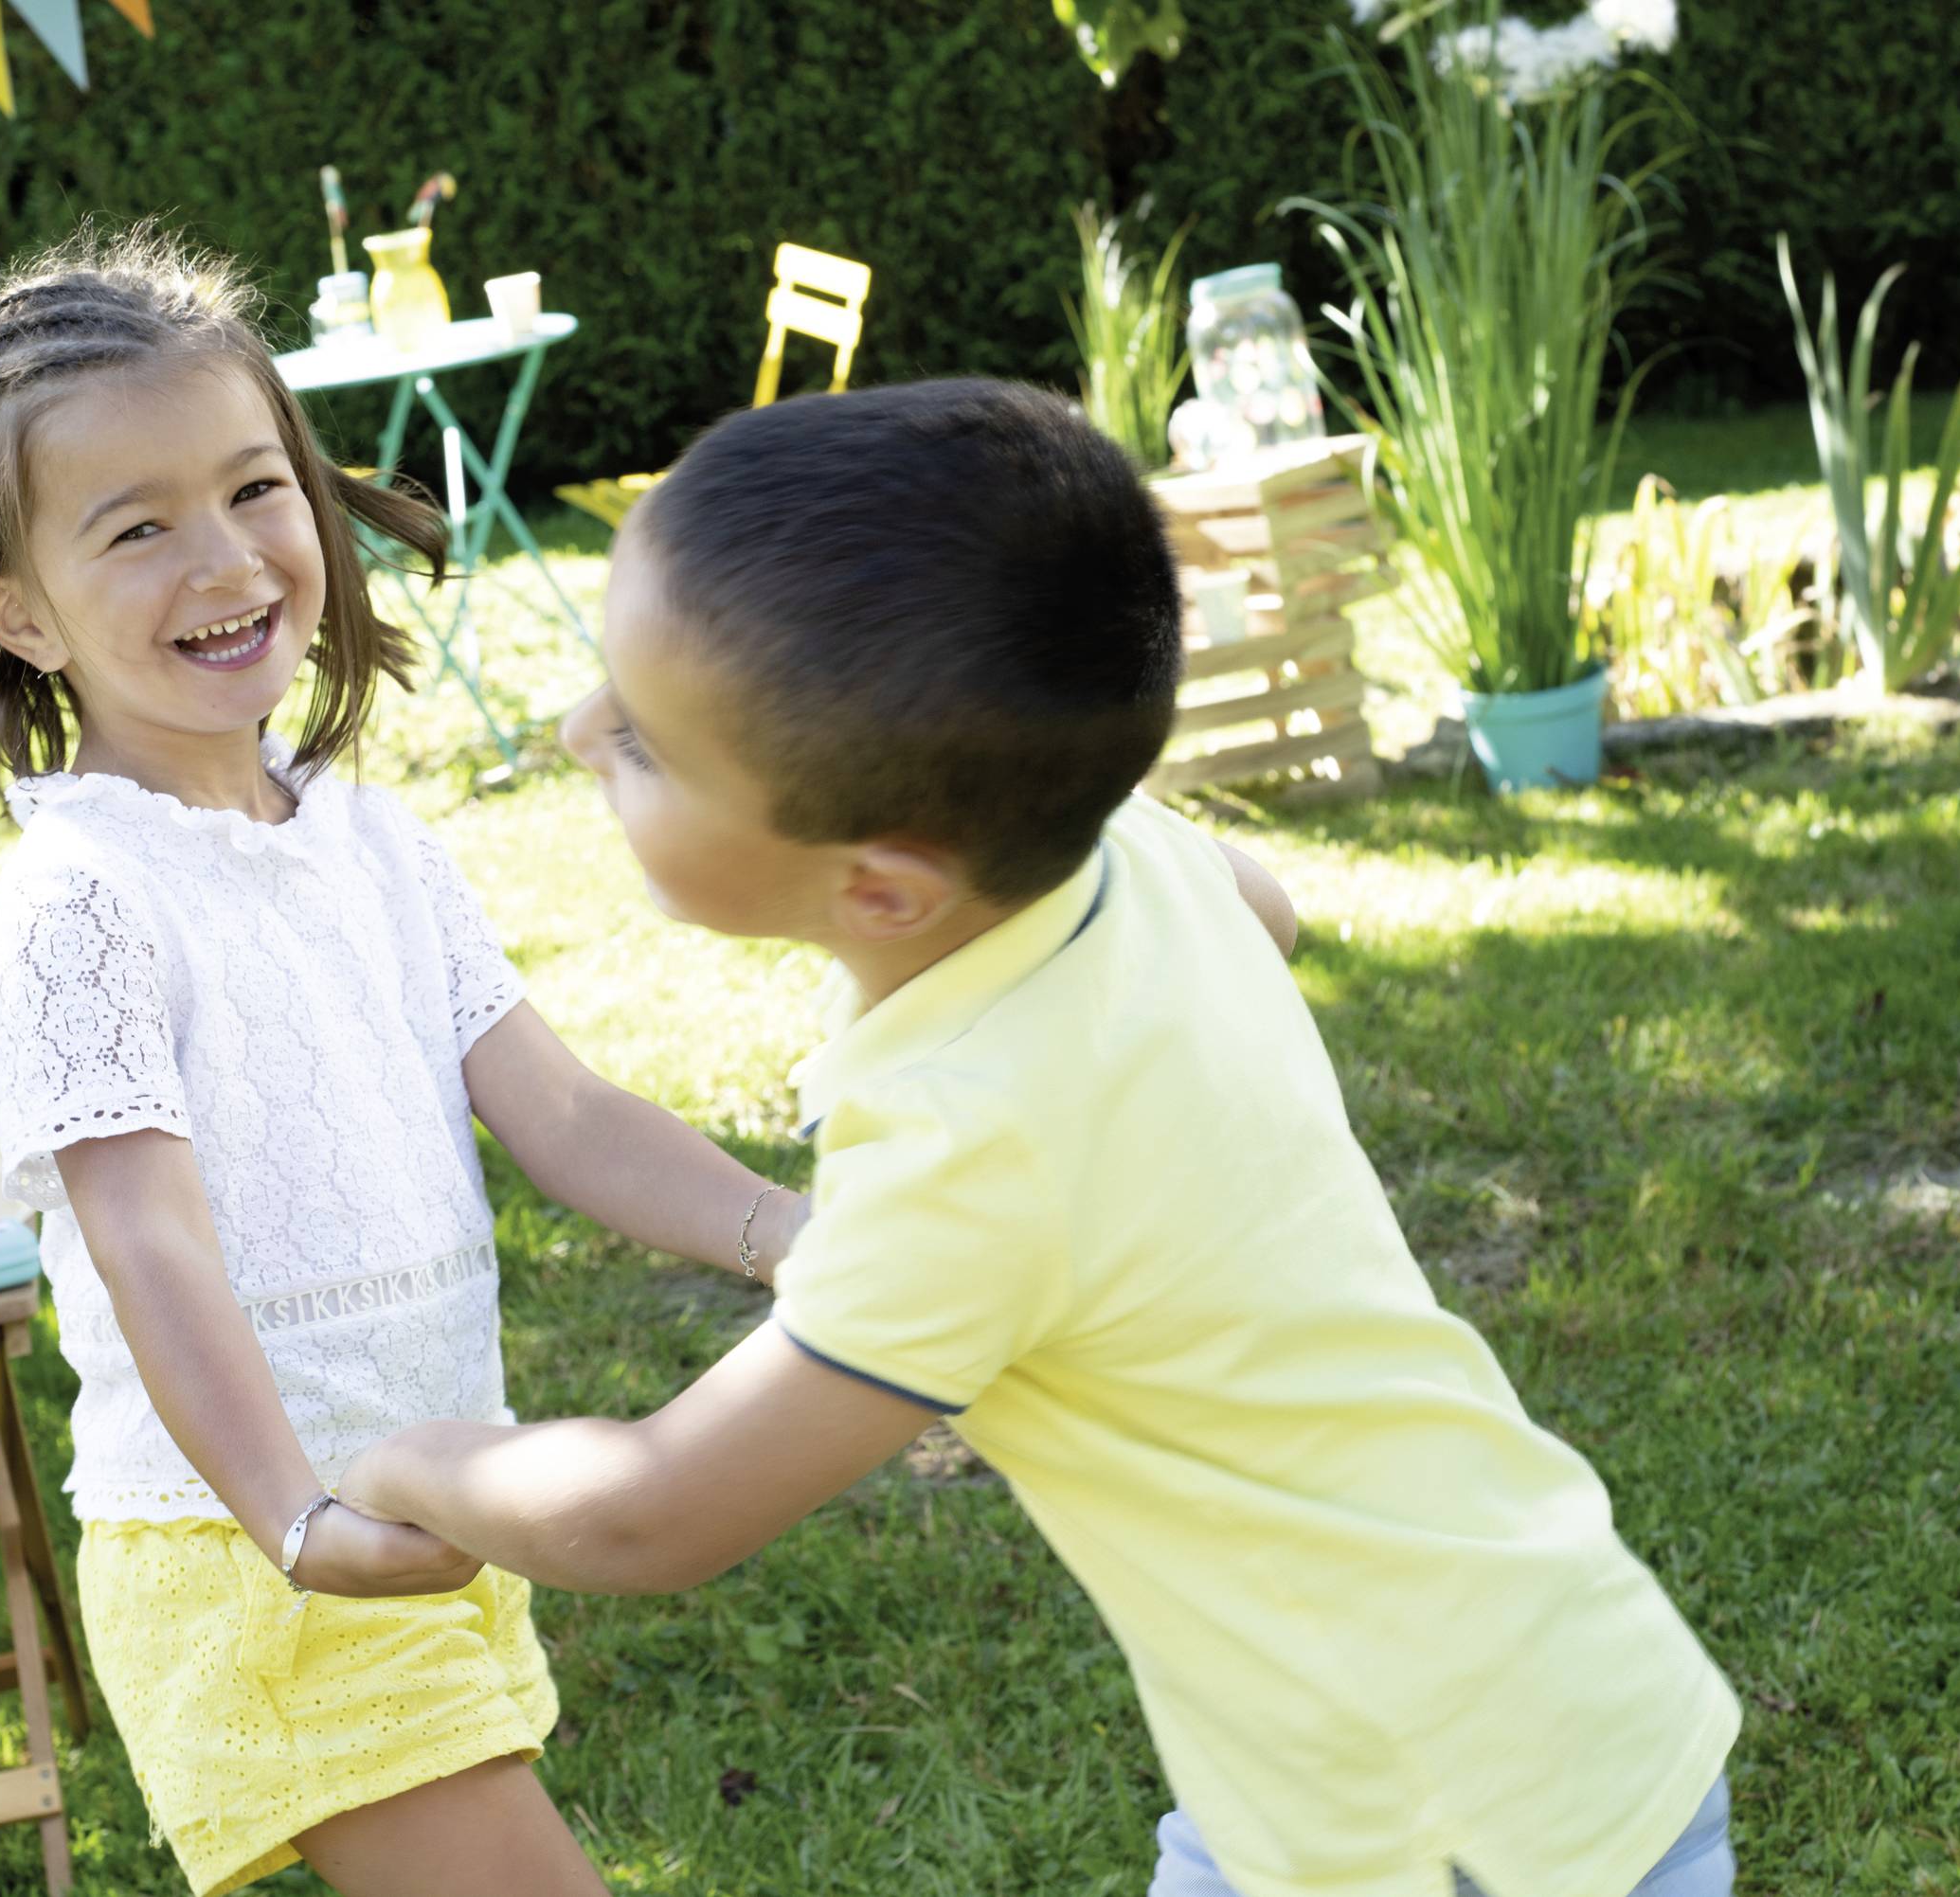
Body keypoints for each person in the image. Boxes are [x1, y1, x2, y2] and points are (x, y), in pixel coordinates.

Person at [341, 380, 1741, 1897]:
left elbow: (650, 1512)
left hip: (1422, 1816)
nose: (573, 731)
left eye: (645, 744)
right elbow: (1264, 911)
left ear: (882, 888)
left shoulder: (964, 1151)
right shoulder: (1122, 849)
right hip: (1522, 1671)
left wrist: (411, 1462)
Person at [0, 225, 809, 1897]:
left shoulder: (375, 846)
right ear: (15, 610)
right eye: (139, 527)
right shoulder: (81, 897)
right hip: (248, 1552)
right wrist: (290, 1523)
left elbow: (566, 1113)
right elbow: (148, 1242)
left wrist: (791, 1236)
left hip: (428, 1503)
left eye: (256, 488)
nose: (229, 558)